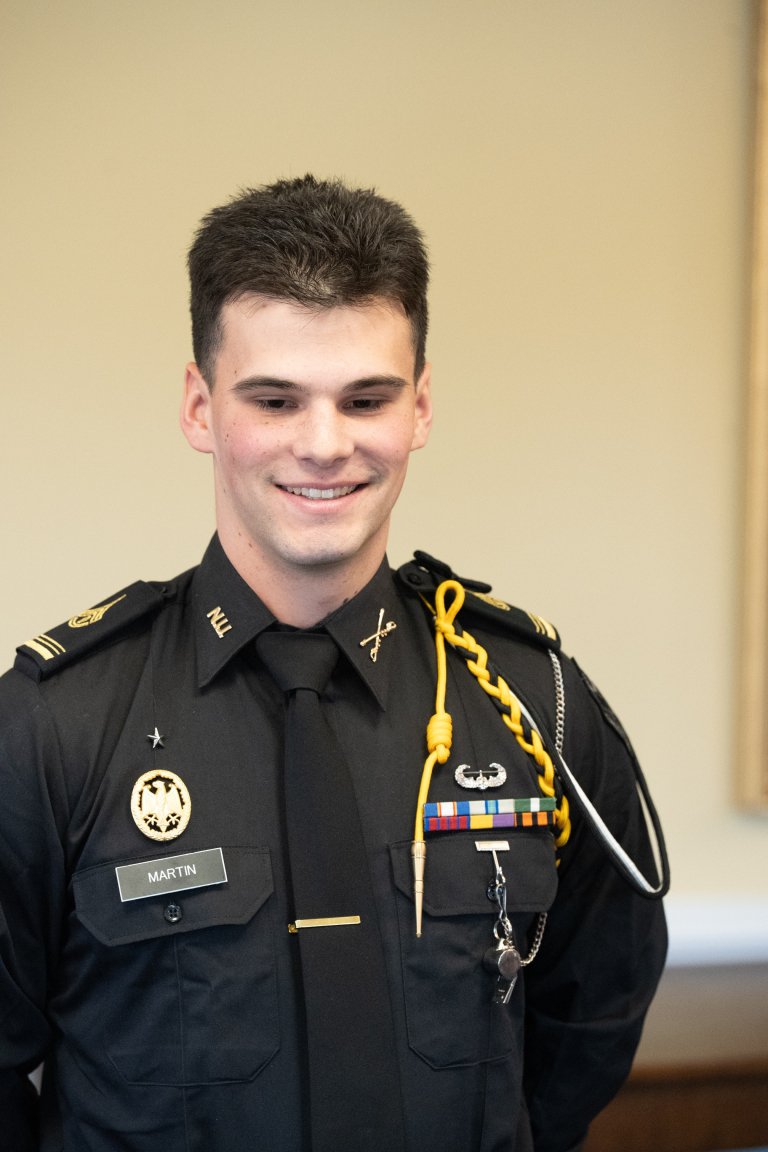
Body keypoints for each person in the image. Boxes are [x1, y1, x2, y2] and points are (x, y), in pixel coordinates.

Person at [0, 175, 668, 1152]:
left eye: (367, 398)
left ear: (422, 406)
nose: (326, 445)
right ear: (199, 405)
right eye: (275, 399)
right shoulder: (51, 724)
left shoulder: (533, 699)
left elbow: (595, 1007)